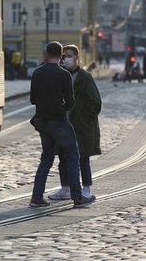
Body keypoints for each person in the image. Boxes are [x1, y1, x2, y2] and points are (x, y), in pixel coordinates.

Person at [29, 41, 96, 209]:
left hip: (42, 122)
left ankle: (36, 197)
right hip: (59, 121)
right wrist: (61, 108)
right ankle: (77, 197)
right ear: (60, 56)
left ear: (46, 54)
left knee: (46, 159)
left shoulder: (37, 73)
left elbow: (32, 99)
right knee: (73, 155)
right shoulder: (63, 75)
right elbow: (71, 102)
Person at [49, 45, 102, 201]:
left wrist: (84, 120)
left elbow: (95, 102)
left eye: (69, 55)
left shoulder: (85, 77)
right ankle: (65, 188)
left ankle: (86, 188)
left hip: (81, 126)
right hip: (63, 124)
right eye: (64, 56)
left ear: (77, 57)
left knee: (83, 158)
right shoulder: (60, 75)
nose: (66, 58)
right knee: (63, 158)